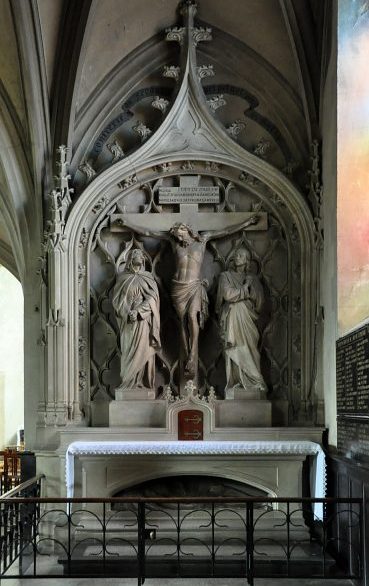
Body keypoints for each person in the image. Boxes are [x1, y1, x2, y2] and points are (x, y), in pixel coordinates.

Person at [116, 215, 259, 379]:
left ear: (188, 230)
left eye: (180, 234)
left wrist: (246, 222)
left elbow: (225, 230)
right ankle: (186, 351)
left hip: (194, 286)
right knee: (182, 321)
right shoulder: (174, 243)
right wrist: (128, 224)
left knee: (192, 317)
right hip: (178, 287)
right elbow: (149, 231)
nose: (178, 237)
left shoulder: (202, 241)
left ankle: (192, 355)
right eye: (176, 235)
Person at [216, 246, 266, 394]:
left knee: (249, 349)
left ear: (247, 261)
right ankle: (237, 382)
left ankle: (255, 381)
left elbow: (259, 302)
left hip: (247, 320)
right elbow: (228, 294)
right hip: (232, 319)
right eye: (236, 255)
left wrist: (251, 287)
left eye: (240, 256)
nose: (236, 257)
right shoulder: (225, 276)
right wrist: (246, 288)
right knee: (235, 348)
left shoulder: (253, 279)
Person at [112, 248, 160, 393]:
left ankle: (142, 383)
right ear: (130, 259)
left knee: (144, 350)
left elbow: (153, 298)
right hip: (128, 322)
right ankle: (128, 382)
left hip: (143, 320)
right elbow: (117, 300)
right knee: (129, 350)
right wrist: (128, 312)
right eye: (135, 255)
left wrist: (139, 311)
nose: (139, 256)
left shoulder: (147, 277)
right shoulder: (123, 278)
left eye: (141, 255)